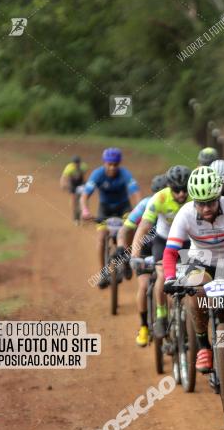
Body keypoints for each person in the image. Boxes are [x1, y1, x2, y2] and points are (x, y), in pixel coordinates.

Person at [162, 166, 224, 404]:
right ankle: (204, 345)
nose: (206, 208)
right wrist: (168, 278)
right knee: (194, 289)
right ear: (193, 201)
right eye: (200, 203)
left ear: (219, 197)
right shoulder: (185, 214)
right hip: (201, 264)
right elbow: (170, 252)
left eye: (211, 202)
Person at [131, 165, 191, 339]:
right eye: (177, 190)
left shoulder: (194, 196)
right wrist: (135, 254)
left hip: (188, 241)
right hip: (164, 241)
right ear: (169, 187)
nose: (181, 194)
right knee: (163, 275)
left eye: (184, 189)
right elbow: (143, 227)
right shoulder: (159, 198)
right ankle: (161, 314)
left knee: (194, 277)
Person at [80, 148, 140, 288]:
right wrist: (85, 210)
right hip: (105, 209)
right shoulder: (97, 174)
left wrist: (139, 210)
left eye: (115, 164)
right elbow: (84, 196)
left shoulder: (125, 174)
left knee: (130, 228)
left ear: (119, 164)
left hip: (123, 207)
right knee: (101, 236)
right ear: (104, 163)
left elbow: (136, 194)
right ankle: (103, 272)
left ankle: (127, 258)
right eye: (109, 164)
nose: (112, 167)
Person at [119, 174, 165, 346]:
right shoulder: (146, 204)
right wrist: (123, 251)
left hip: (166, 247)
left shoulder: (177, 205)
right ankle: (144, 326)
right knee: (144, 286)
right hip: (146, 248)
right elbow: (125, 230)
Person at [60, 156, 88, 223]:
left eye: (78, 163)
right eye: (75, 163)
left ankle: (84, 214)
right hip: (72, 184)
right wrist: (63, 184)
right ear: (72, 163)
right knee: (74, 200)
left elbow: (85, 175)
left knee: (83, 198)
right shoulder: (69, 168)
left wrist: (86, 184)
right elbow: (63, 177)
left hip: (81, 183)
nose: (76, 165)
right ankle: (75, 216)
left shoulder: (83, 166)